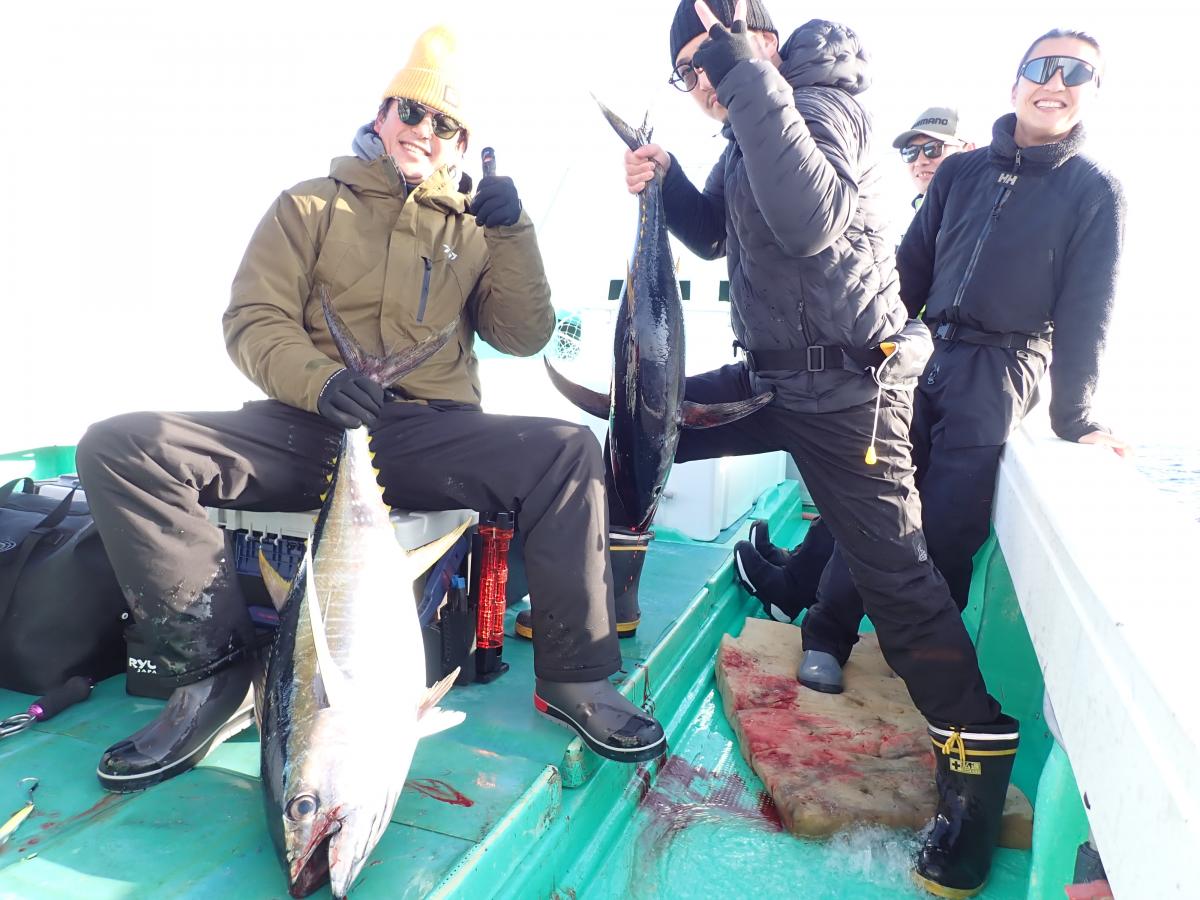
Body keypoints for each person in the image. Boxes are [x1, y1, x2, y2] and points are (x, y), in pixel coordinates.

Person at [74, 24, 665, 795]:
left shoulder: (477, 227)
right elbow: (253, 320)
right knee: (119, 445)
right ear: (382, 115)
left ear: (461, 143)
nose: (424, 130)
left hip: (423, 432)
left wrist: (513, 232)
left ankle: (575, 677)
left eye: (444, 123)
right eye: (410, 111)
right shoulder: (308, 205)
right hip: (304, 422)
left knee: (567, 450)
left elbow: (522, 335)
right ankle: (214, 676)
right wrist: (319, 381)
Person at [522, 1, 1019, 894]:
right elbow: (715, 231)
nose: (703, 81)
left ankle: (976, 760)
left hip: (849, 392)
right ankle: (610, 602)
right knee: (634, 432)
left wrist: (741, 74)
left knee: (898, 584)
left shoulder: (825, 105)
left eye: (712, 54)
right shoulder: (749, 125)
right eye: (688, 71)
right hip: (770, 378)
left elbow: (808, 220)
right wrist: (665, 178)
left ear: (764, 43)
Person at [740, 29, 1128, 894]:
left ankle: (925, 687)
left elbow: (1088, 309)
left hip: (1006, 366)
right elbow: (904, 274)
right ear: (1017, 81)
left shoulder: (1094, 191)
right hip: (917, 354)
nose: (1056, 82)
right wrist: (868, 344)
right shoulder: (960, 174)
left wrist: (1077, 418)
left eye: (1077, 72)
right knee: (870, 502)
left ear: (1092, 93)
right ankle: (826, 632)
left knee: (941, 531)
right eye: (1042, 66)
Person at [894, 106, 975, 212]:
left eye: (933, 148)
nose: (919, 162)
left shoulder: (989, 209)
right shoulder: (924, 213)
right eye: (910, 151)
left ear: (969, 150)